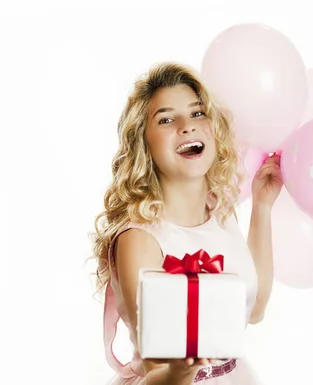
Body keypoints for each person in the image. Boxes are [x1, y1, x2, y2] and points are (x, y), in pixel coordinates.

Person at [92, 62, 282, 384]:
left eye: (197, 113)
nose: (187, 126)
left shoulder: (220, 213)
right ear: (144, 144)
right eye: (166, 119)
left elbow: (254, 311)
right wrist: (183, 369)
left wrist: (262, 206)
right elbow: (157, 373)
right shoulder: (140, 238)